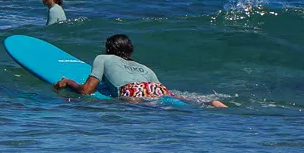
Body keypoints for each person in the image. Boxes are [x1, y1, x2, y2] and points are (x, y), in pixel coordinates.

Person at [55, 33, 225, 107]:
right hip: (156, 88)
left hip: (132, 90)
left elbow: (87, 90)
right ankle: (210, 103)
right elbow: (159, 91)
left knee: (135, 107)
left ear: (108, 49)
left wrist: (68, 82)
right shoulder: (145, 68)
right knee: (173, 100)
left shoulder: (103, 58)